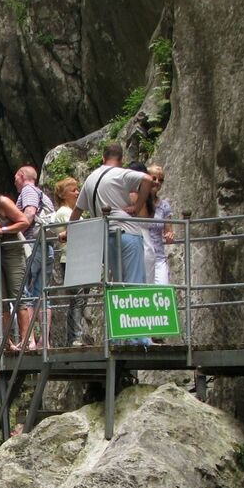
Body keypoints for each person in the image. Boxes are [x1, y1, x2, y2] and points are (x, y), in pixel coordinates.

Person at [70, 144, 152, 345]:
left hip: (105, 236)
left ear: (102, 157)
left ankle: (117, 337)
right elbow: (148, 179)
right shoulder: (120, 174)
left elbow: (76, 213)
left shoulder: (90, 179)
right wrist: (138, 206)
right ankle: (138, 337)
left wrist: (67, 232)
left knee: (115, 285)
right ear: (121, 159)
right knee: (134, 283)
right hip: (127, 232)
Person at [13, 165, 55, 349]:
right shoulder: (43, 195)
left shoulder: (28, 190)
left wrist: (13, 231)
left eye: (15, 177)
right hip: (46, 245)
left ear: (21, 176)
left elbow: (29, 212)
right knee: (42, 293)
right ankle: (43, 341)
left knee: (27, 291)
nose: (14, 181)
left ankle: (29, 340)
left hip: (32, 245)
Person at [0, 185, 29, 350]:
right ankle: (7, 342)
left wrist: (2, 229)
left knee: (18, 296)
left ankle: (25, 340)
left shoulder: (1, 202)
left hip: (13, 254)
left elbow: (24, 221)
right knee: (0, 299)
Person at [51, 177, 87, 346]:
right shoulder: (64, 213)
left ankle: (75, 335)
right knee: (77, 298)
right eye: (73, 190)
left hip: (81, 257)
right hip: (72, 258)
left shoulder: (73, 212)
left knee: (81, 298)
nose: (77, 192)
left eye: (77, 189)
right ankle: (75, 337)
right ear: (63, 195)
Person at [128, 161, 157, 284]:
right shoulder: (148, 195)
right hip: (147, 241)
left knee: (134, 282)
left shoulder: (134, 194)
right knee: (147, 282)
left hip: (136, 239)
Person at [148, 164, 174, 285]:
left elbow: (168, 231)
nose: (157, 182)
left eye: (160, 180)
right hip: (141, 256)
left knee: (163, 291)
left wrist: (169, 235)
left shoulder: (164, 206)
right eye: (154, 178)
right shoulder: (137, 203)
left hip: (158, 257)